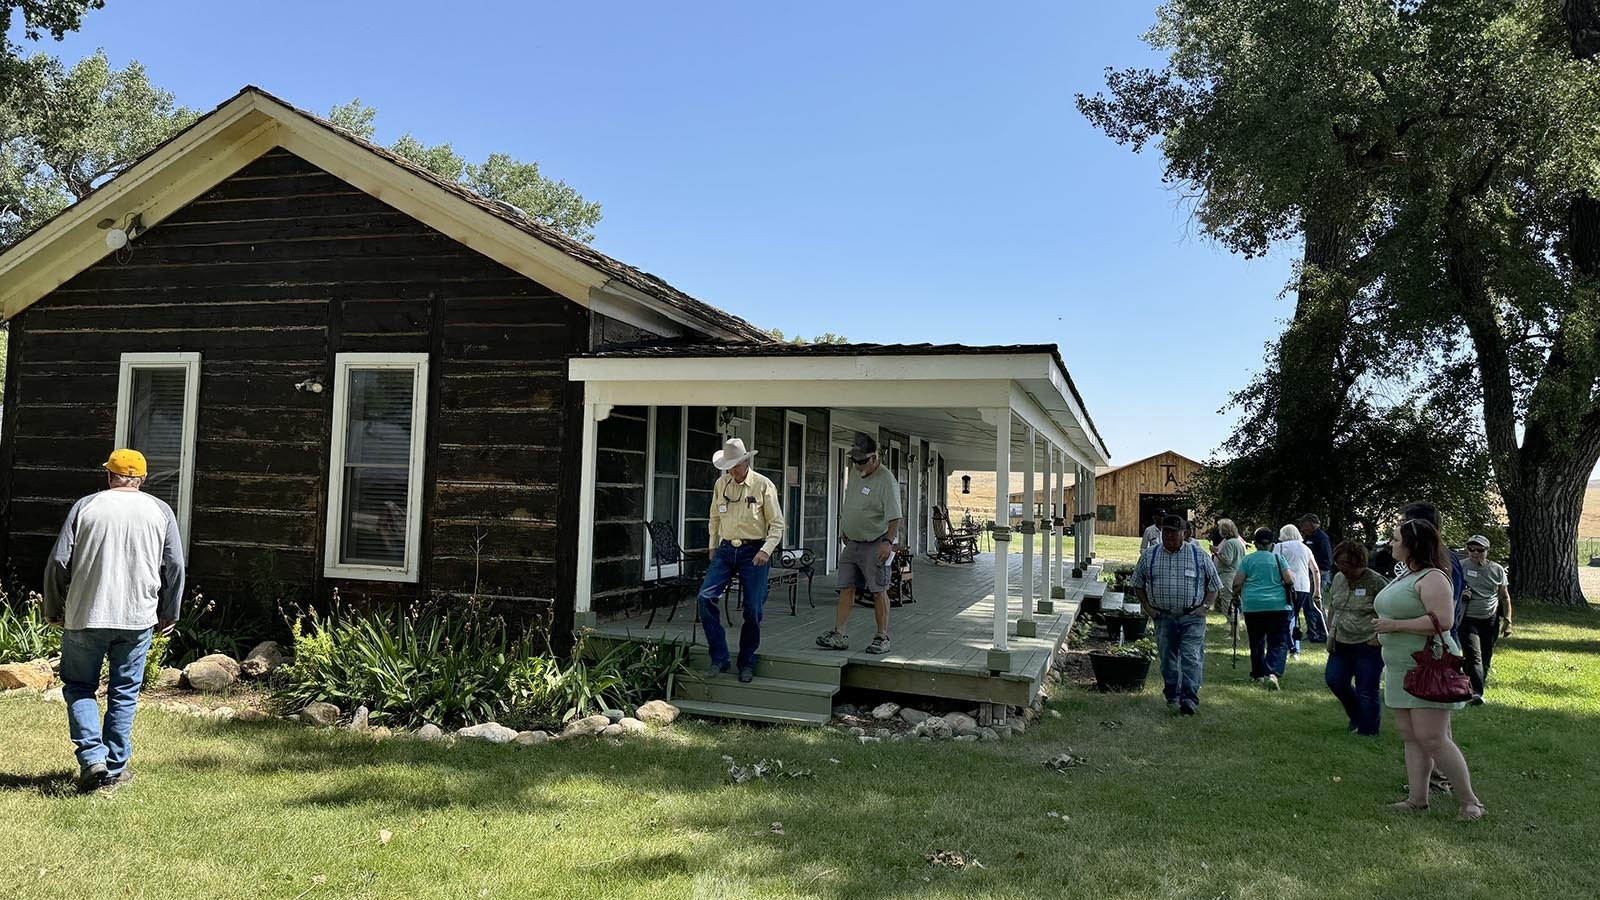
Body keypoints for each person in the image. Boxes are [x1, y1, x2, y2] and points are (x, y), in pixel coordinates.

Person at [42, 449, 184, 795]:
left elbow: (59, 562)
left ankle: (93, 759)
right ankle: (116, 768)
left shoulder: (87, 506)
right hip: (137, 617)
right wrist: (171, 611)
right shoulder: (160, 511)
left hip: (85, 614)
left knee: (79, 686)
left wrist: (53, 606)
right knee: (124, 692)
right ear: (143, 479)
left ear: (109, 476)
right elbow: (175, 566)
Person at [1375, 517, 1484, 821]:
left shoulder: (1433, 577)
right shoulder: (1406, 575)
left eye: (1396, 539)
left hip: (1427, 666)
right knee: (1410, 734)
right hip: (1399, 666)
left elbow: (1443, 620)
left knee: (1432, 736)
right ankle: (1417, 799)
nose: (1391, 544)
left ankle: (1471, 802)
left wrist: (1394, 625)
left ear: (1413, 545)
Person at [696, 438, 784, 683]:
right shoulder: (721, 484)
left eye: (735, 465)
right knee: (705, 598)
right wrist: (712, 546)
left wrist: (766, 550)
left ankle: (746, 661)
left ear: (746, 461)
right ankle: (719, 657)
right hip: (725, 549)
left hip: (754, 549)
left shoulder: (763, 485)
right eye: (729, 466)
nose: (732, 470)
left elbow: (777, 524)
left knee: (753, 608)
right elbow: (714, 517)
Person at [817, 433, 902, 654]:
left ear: (875, 458)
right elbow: (853, 503)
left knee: (878, 589)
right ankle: (839, 633)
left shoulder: (886, 480)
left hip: (876, 542)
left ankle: (882, 637)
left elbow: (895, 517)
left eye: (862, 461)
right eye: (854, 460)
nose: (857, 465)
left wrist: (887, 542)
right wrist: (845, 528)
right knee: (846, 587)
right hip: (852, 542)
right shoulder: (857, 473)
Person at [1131, 515, 1220, 715]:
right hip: (1163, 616)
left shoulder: (1198, 555)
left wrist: (1205, 606)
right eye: (1166, 531)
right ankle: (1172, 694)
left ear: (1185, 533)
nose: (1169, 535)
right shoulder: (1150, 555)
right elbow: (1137, 584)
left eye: (1174, 531)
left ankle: (1189, 699)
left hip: (1192, 617)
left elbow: (1214, 586)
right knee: (1167, 660)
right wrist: (1147, 606)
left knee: (1191, 657)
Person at [1323, 540, 1389, 735]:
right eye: (1339, 563)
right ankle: (1356, 717)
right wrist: (1330, 628)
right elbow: (1333, 605)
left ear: (1360, 563)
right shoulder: (1338, 579)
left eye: (1347, 564)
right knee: (1335, 680)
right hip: (1340, 641)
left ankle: (1368, 732)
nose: (1342, 568)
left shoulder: (1377, 582)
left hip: (1367, 643)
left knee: (1366, 689)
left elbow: (1389, 613)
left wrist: (1378, 637)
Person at [1233, 527, 1294, 689]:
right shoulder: (1278, 558)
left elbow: (1237, 582)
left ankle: (1258, 675)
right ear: (1272, 544)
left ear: (1255, 543)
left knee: (1257, 641)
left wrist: (1235, 594)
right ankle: (1273, 673)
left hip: (1253, 606)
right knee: (1279, 642)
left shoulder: (1247, 560)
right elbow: (1289, 580)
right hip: (1278, 605)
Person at [1459, 534, 1512, 704]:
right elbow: (1450, 590)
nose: (1475, 553)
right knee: (1473, 655)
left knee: (1486, 656)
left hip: (1490, 618)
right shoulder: (1460, 567)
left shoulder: (1497, 570)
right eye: (1471, 549)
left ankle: (1472, 687)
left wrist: (1508, 620)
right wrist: (1461, 594)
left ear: (1487, 551)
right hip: (1467, 618)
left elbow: (1504, 597)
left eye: (1479, 550)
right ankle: (1476, 693)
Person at [1274, 523, 1324, 655]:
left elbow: (1274, 566)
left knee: (1287, 616)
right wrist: (1317, 590)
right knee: (1294, 616)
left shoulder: (1279, 547)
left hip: (1286, 585)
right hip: (1303, 586)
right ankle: (1295, 647)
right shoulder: (1305, 548)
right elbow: (1316, 570)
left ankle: (1290, 647)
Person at [1211, 518, 1247, 618]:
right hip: (1236, 574)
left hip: (1227, 575)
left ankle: (1232, 625)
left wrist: (1216, 553)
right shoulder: (1238, 542)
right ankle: (1236, 623)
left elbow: (1227, 560)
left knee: (1227, 602)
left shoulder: (1229, 543)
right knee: (1235, 601)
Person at [1299, 514, 1336, 593]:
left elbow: (1327, 559)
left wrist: (1317, 574)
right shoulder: (1308, 537)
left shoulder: (1322, 538)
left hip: (1319, 576)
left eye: (1303, 524)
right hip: (1309, 574)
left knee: (1316, 600)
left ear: (1310, 524)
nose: (1301, 528)